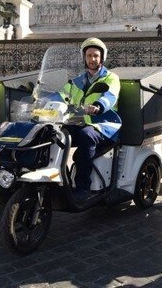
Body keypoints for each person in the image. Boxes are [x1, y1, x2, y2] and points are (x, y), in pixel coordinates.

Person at [54, 38, 122, 202]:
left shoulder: (111, 78)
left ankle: (83, 187)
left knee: (86, 135)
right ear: (84, 57)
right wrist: (43, 102)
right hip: (80, 122)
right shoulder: (76, 81)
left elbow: (110, 96)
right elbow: (61, 95)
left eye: (96, 56)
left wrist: (99, 105)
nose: (92, 59)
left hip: (104, 125)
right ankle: (55, 180)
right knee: (52, 132)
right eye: (89, 55)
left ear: (102, 58)